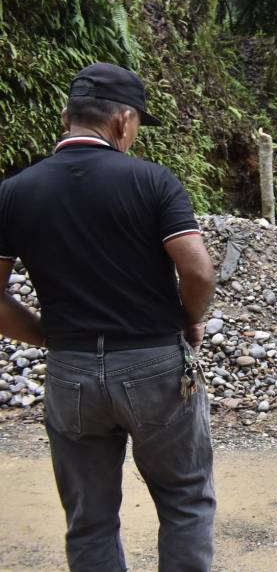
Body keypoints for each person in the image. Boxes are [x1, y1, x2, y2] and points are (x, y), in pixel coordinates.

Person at [0, 62, 217, 572]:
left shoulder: (14, 193)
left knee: (90, 518)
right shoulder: (153, 181)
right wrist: (189, 320)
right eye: (136, 122)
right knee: (185, 500)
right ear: (123, 121)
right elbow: (199, 272)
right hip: (155, 366)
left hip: (71, 373)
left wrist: (47, 336)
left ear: (65, 115)